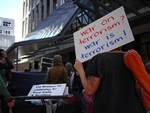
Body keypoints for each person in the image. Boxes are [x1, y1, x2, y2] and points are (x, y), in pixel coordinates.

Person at [74, 47, 147, 113]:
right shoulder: (131, 57)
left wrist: (80, 70)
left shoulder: (99, 59)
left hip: (108, 108)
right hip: (133, 107)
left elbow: (90, 90)